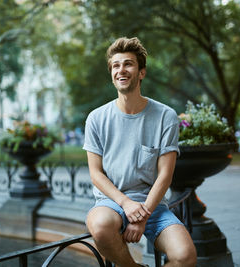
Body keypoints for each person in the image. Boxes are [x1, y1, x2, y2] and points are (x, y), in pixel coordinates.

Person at [83, 37, 197, 267]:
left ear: (141, 72)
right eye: (116, 65)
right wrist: (125, 203)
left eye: (128, 64)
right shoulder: (96, 118)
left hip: (152, 205)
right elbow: (96, 174)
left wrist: (142, 216)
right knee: (100, 226)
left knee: (185, 257)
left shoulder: (165, 116)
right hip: (112, 202)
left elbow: (165, 175)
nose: (121, 70)